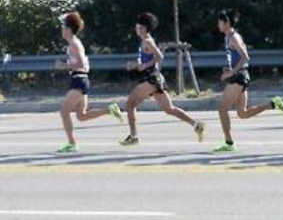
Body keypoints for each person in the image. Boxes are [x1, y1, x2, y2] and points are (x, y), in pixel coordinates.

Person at [118, 12, 205, 146]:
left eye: (139, 26)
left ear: (145, 28)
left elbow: (159, 56)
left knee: (130, 104)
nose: (136, 28)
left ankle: (134, 137)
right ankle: (196, 124)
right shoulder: (145, 41)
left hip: (150, 78)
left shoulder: (147, 41)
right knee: (169, 109)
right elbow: (148, 59)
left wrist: (143, 66)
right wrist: (136, 65)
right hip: (155, 77)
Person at [213, 10, 283, 152]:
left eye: (220, 21)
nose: (218, 24)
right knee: (242, 113)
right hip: (240, 75)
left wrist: (232, 72)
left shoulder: (234, 37)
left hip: (239, 77)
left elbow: (245, 57)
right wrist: (228, 69)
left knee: (222, 108)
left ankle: (228, 143)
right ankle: (272, 104)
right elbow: (237, 58)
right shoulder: (229, 37)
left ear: (227, 22)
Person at [55, 12, 123, 153]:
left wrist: (63, 66)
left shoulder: (74, 43)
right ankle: (109, 110)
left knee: (64, 112)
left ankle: (72, 143)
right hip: (81, 79)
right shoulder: (73, 43)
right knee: (81, 116)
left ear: (68, 29)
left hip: (79, 80)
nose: (61, 30)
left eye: (62, 27)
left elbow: (79, 63)